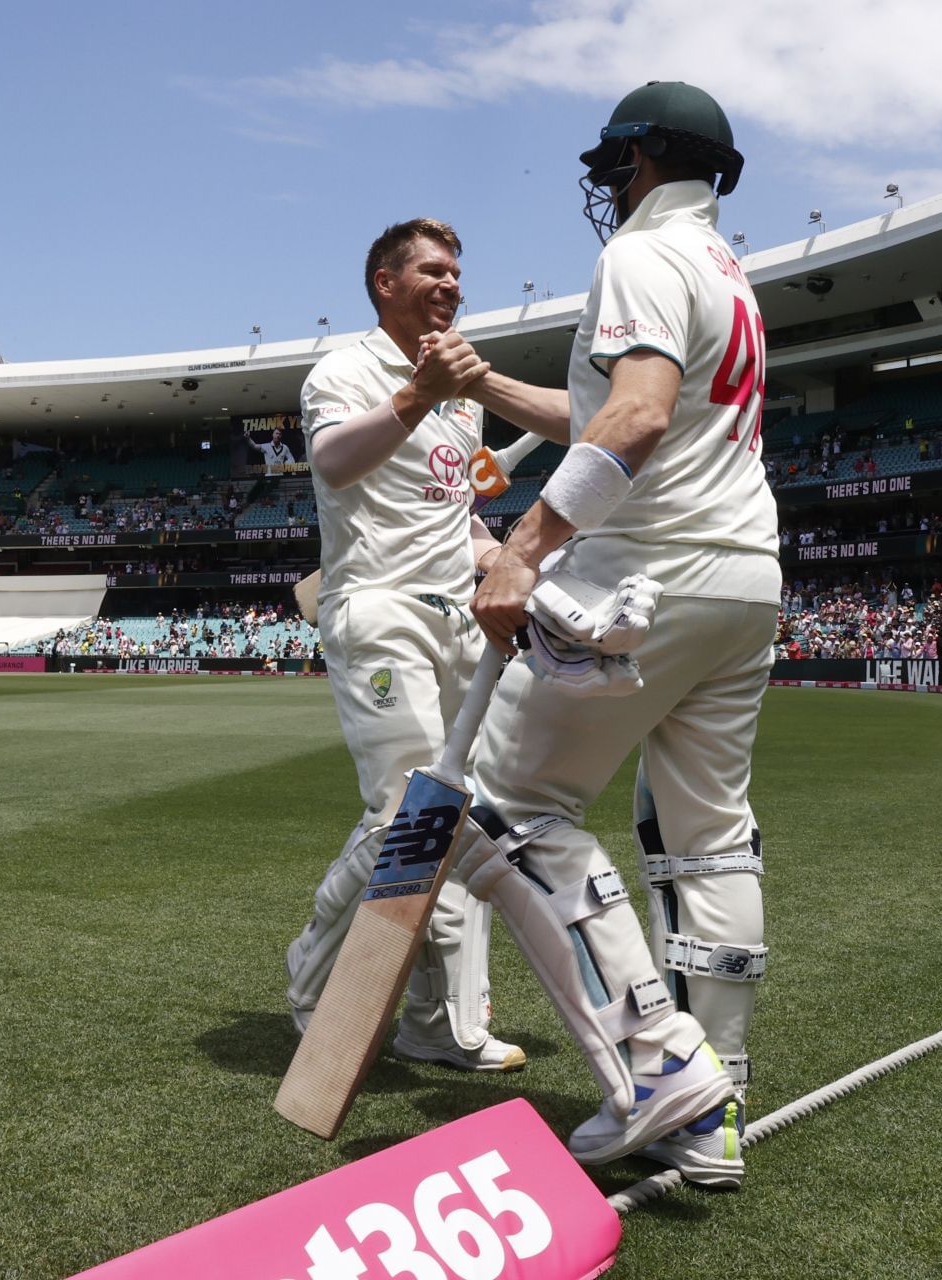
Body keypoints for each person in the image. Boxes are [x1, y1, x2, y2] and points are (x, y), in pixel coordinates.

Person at [455, 81, 775, 1188]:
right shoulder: (727, 270)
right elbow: (613, 406)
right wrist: (492, 384)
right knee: (707, 837)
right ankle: (717, 1099)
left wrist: (523, 545)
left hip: (652, 573)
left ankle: (656, 1067)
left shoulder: (639, 256)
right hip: (744, 577)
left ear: (638, 157)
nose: (606, 182)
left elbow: (634, 418)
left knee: (503, 810)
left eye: (613, 163)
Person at [281, 217, 525, 1072]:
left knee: (461, 823)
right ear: (385, 282)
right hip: (377, 607)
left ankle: (439, 1021)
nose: (452, 283)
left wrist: (499, 555)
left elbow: (453, 516)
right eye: (433, 269)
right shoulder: (345, 370)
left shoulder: (459, 395)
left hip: (459, 619)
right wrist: (415, 395)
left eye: (458, 271)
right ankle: (314, 984)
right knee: (409, 820)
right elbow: (336, 463)